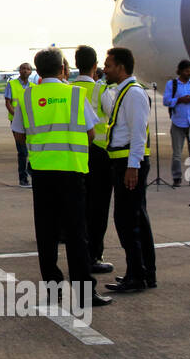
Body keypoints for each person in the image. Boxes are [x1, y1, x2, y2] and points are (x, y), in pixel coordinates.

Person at [11, 48, 111, 308]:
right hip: (72, 170)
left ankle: (52, 289)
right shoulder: (76, 95)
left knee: (46, 233)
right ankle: (84, 293)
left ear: (38, 70)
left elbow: (19, 135)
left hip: (42, 172)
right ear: (63, 69)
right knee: (78, 233)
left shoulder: (28, 95)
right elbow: (90, 133)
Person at [100, 47, 157, 293]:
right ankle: (143, 273)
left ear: (121, 67)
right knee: (135, 219)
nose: (105, 69)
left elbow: (137, 135)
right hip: (123, 162)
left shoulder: (133, 94)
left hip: (129, 164)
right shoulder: (123, 92)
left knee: (127, 221)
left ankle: (137, 275)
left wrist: (132, 167)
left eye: (109, 65)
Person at [72, 46, 114, 274]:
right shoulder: (100, 90)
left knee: (79, 207)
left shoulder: (69, 89)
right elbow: (113, 114)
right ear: (95, 65)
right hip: (98, 154)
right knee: (98, 209)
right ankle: (94, 255)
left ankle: (79, 253)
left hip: (75, 155)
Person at [163, 59, 190, 185]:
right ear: (180, 71)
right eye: (187, 71)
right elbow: (166, 101)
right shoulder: (172, 84)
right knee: (177, 153)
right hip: (178, 122)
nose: (189, 73)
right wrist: (179, 100)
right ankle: (176, 177)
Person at [3, 63, 33, 187]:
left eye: (28, 69)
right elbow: (8, 103)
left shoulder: (34, 86)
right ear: (19, 71)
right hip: (17, 122)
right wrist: (17, 118)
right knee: (22, 151)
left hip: (31, 122)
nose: (25, 71)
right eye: (23, 69)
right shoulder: (12, 84)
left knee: (32, 150)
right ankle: (23, 178)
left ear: (31, 72)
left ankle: (31, 172)